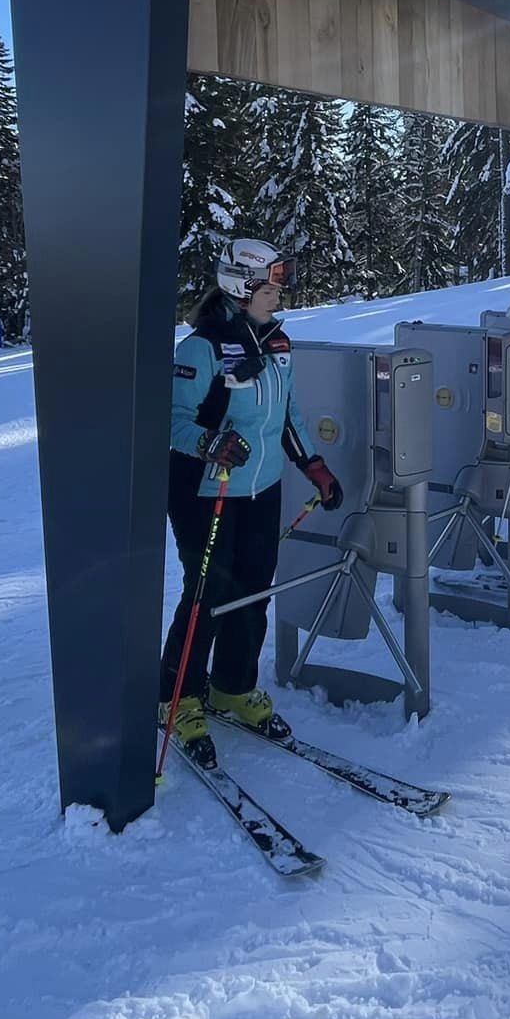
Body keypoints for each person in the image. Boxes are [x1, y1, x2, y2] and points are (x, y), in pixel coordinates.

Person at [158, 238, 343, 765]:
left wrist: (313, 465)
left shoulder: (277, 342)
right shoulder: (201, 348)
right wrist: (209, 442)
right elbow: (170, 420)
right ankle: (177, 696)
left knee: (253, 590)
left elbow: (287, 414)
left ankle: (232, 687)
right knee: (208, 591)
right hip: (207, 490)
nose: (280, 292)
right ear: (241, 286)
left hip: (262, 488)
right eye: (271, 284)